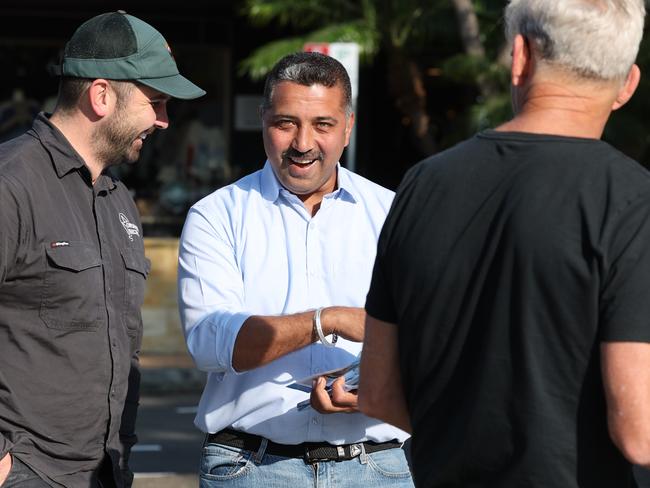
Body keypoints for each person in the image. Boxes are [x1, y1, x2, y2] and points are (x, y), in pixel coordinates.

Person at [358, 0, 650, 487]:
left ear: (519, 57)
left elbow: (377, 392)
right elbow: (638, 429)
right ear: (627, 85)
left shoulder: (421, 184)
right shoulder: (633, 201)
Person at [178, 51, 413, 487]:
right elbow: (212, 345)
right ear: (263, 119)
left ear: (348, 127)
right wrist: (330, 321)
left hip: (376, 467)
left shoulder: (393, 213)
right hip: (251, 468)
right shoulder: (217, 215)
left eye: (322, 124)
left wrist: (376, 390)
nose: (303, 143)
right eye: (286, 123)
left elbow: (428, 334)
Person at [0, 11, 205, 488]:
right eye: (156, 102)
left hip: (108, 472)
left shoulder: (119, 200)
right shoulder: (12, 185)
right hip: (29, 474)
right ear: (101, 95)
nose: (164, 121)